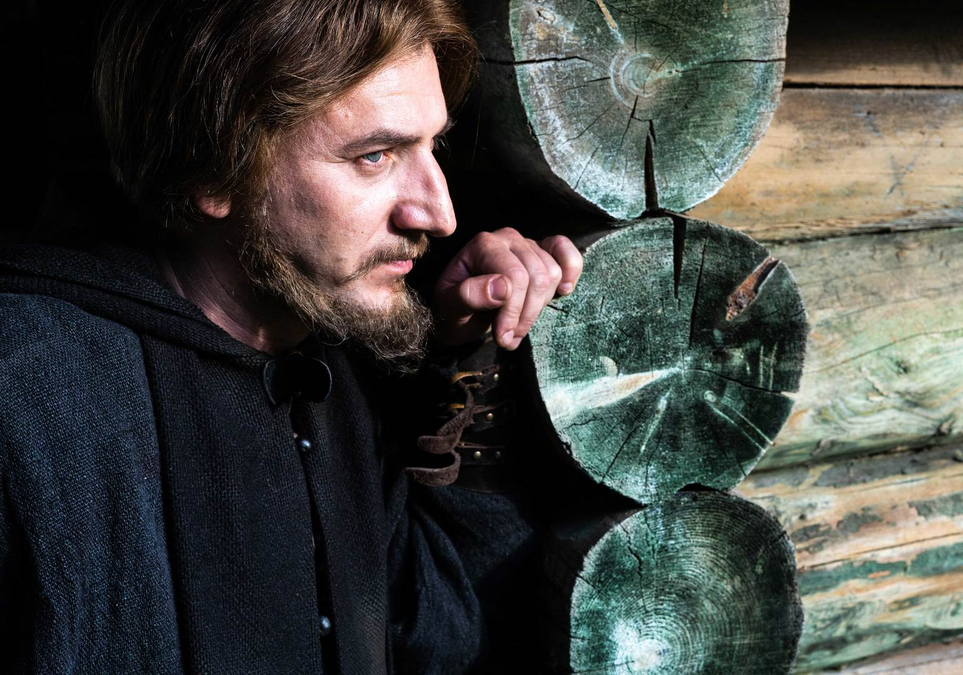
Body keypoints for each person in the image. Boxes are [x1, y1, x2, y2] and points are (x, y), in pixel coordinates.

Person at [0, 0, 581, 672]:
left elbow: (443, 636)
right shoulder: (26, 389)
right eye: (375, 155)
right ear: (215, 167)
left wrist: (467, 353)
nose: (439, 213)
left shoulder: (332, 377)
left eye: (433, 147)